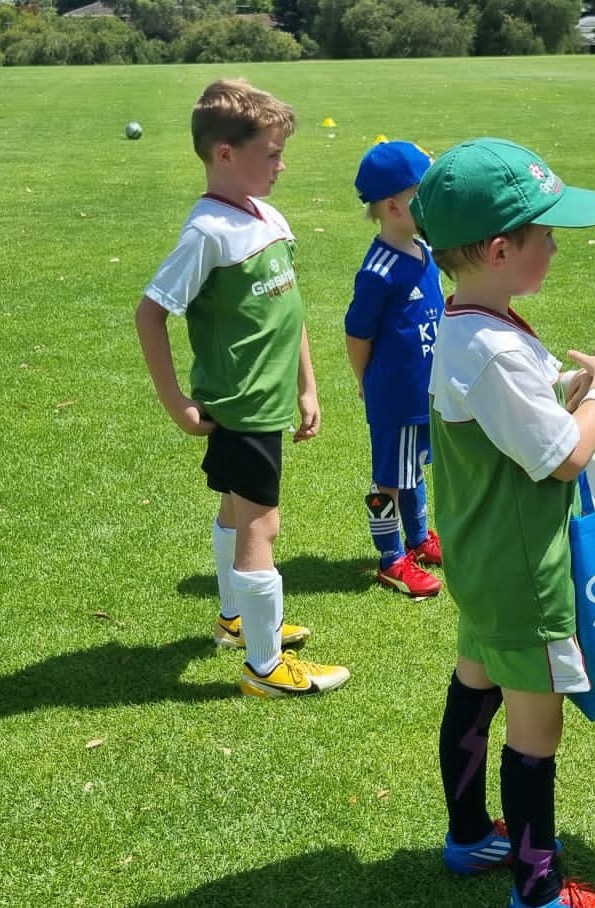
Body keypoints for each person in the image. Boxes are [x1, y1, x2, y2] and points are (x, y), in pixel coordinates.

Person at [410, 138, 595, 908]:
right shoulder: (492, 347)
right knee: (536, 728)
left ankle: (469, 835)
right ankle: (538, 890)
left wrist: (567, 382)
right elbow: (564, 457)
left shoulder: (471, 322)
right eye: (545, 234)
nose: (555, 246)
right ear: (500, 249)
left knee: (476, 684)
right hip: (521, 573)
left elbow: (511, 413)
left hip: (482, 560)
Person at [135, 78, 350, 698]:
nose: (282, 165)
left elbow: (290, 307)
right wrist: (175, 401)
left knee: (236, 510)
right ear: (225, 153)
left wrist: (308, 386)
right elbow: (151, 313)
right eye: (272, 154)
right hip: (242, 403)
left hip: (270, 399)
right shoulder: (208, 232)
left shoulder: (268, 216)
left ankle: (235, 621)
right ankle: (265, 666)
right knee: (262, 526)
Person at [345, 140, 446, 599]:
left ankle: (419, 539)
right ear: (393, 206)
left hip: (425, 393)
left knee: (413, 469)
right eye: (422, 194)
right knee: (388, 479)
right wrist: (365, 382)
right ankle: (390, 558)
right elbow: (357, 334)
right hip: (396, 397)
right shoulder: (379, 271)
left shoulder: (424, 250)